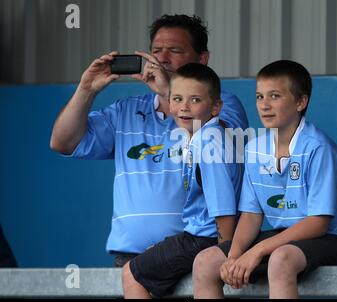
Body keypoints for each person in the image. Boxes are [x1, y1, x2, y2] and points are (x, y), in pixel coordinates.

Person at [49, 15, 248, 267]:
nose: (162, 58)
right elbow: (62, 142)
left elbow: (215, 140)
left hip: (198, 254)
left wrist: (171, 93)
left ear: (202, 59)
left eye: (175, 50)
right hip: (132, 258)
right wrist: (86, 89)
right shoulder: (125, 111)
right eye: (156, 51)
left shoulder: (221, 103)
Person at [192, 60, 337, 299]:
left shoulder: (317, 148)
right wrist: (234, 255)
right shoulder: (254, 149)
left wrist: (257, 251)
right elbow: (251, 215)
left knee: (280, 260)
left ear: (301, 101)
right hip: (286, 237)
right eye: (259, 97)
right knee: (205, 261)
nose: (264, 105)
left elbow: (318, 223)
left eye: (275, 96)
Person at [121, 63, 243, 298]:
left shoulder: (208, 141)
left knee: (132, 272)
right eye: (176, 99)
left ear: (216, 106)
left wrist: (225, 253)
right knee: (150, 258)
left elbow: (223, 207)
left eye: (195, 100)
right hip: (198, 237)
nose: (184, 108)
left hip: (205, 239)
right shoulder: (205, 136)